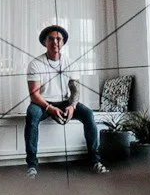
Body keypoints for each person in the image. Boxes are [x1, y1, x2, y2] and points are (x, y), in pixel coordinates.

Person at [24, 23, 102, 171]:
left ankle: (95, 161)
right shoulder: (35, 64)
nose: (55, 42)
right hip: (43, 103)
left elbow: (75, 90)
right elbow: (34, 94)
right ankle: (32, 165)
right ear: (44, 42)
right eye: (51, 39)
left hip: (65, 101)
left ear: (63, 42)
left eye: (58, 39)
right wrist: (49, 108)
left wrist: (72, 106)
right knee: (31, 115)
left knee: (88, 114)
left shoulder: (70, 62)